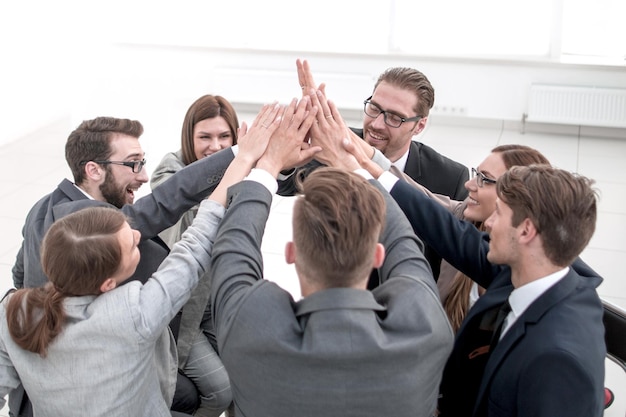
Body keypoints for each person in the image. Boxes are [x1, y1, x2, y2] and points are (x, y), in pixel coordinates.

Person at [0, 103, 283, 417]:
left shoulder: (17, 295)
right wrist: (241, 156)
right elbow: (184, 234)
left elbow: (20, 274)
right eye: (134, 164)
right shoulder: (133, 311)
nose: (144, 175)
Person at [210, 93, 454, 416]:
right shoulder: (425, 329)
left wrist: (267, 165)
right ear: (377, 256)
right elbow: (404, 241)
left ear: (292, 253)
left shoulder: (250, 325)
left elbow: (233, 244)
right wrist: (352, 164)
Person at [346, 141, 606, 416]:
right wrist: (360, 168)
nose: (489, 224)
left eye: (499, 214)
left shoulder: (556, 360)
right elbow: (447, 229)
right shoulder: (532, 271)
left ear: (526, 231)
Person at [291, 59, 470, 279]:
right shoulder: (336, 142)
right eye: (374, 108)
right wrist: (290, 153)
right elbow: (288, 183)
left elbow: (452, 260)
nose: (376, 124)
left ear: (419, 125)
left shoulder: (450, 178)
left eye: (394, 117)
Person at [151, 95, 239, 417]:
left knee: (243, 382)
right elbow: (192, 218)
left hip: (218, 303)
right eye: (205, 137)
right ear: (189, 137)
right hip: (182, 310)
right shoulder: (170, 171)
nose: (215, 146)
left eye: (224, 137)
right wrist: (235, 168)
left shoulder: (242, 170)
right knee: (219, 390)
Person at [422, 145, 550, 332]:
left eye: (485, 179)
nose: (469, 184)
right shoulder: (467, 218)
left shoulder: (530, 277)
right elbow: (418, 201)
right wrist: (373, 163)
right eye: (476, 174)